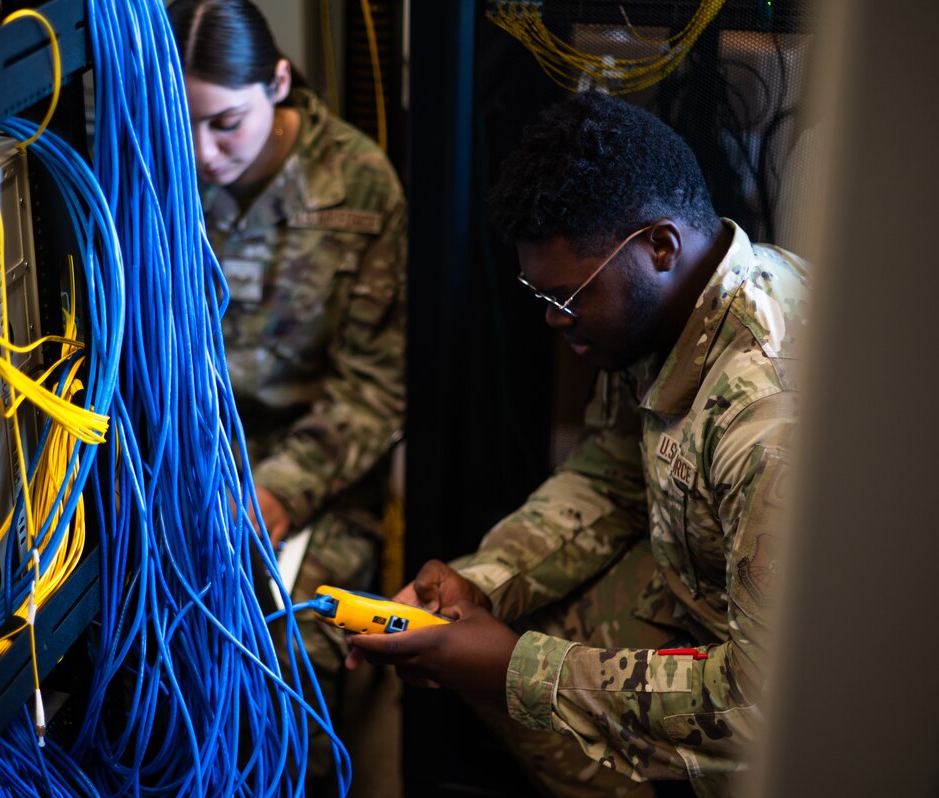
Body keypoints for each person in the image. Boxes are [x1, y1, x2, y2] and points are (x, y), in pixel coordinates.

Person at [347, 91, 807, 797]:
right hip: (703, 580)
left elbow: (764, 704)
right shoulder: (675, 306)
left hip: (784, 680)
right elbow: (613, 472)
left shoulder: (765, 421)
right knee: (485, 642)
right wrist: (484, 580)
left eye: (565, 298)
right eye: (538, 296)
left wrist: (517, 670)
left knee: (517, 684)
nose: (551, 322)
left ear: (659, 246)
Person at [166, 0, 407, 787]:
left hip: (318, 470)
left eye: (226, 124)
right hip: (186, 449)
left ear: (277, 83)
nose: (203, 152)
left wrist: (276, 495)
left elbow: (374, 390)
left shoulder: (358, 182)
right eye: (185, 122)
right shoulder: (155, 170)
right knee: (144, 648)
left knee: (287, 663)